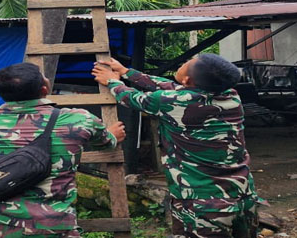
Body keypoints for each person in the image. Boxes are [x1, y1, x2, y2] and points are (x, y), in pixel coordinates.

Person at [92, 55, 261, 238]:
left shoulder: (169, 102)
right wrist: (127, 72)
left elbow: (132, 98)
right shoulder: (232, 97)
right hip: (243, 195)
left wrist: (112, 82)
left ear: (188, 79)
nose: (183, 63)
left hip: (201, 203)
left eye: (186, 63)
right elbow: (172, 88)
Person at [0, 62, 126, 237]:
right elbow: (106, 143)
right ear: (44, 89)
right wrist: (113, 135)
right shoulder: (79, 120)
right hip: (50, 228)